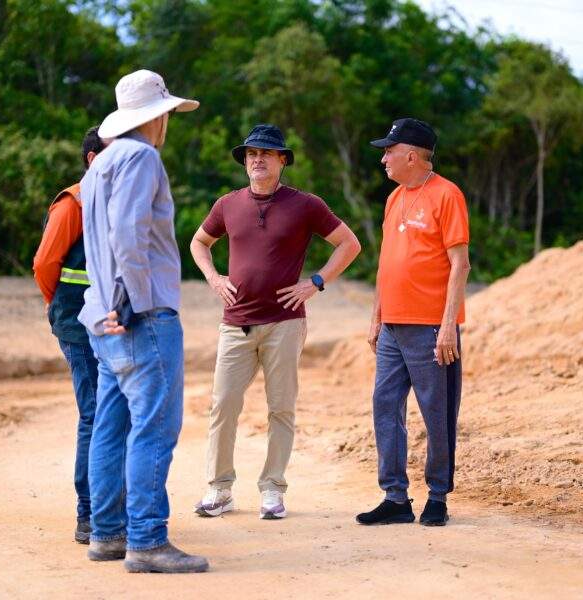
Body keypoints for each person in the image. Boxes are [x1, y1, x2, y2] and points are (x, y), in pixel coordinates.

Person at [189, 124, 361, 520]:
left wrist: (316, 282)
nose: (257, 160)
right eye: (251, 154)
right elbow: (199, 242)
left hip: (285, 322)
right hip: (236, 323)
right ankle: (219, 489)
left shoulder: (306, 205)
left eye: (266, 153)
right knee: (223, 406)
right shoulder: (227, 204)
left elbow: (349, 244)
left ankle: (272, 489)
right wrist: (215, 279)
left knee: (280, 408)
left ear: (283, 160)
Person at [78, 69, 208, 573]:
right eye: (168, 114)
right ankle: (148, 542)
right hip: (140, 314)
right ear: (157, 117)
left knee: (110, 428)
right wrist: (132, 298)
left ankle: (107, 535)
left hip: (103, 318)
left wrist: (111, 302)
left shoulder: (98, 165)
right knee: (154, 429)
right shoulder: (142, 156)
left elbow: (103, 241)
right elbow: (128, 233)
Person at [356, 118, 470, 527]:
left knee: (436, 412)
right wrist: (376, 318)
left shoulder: (447, 195)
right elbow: (387, 263)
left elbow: (460, 264)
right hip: (392, 327)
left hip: (429, 328)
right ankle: (395, 497)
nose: (383, 157)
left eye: (388, 150)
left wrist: (447, 326)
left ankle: (437, 496)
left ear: (411, 154)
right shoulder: (393, 199)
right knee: (384, 405)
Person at [31, 126, 108, 545]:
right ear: (93, 158)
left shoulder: (106, 201)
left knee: (112, 414)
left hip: (107, 321)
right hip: (77, 324)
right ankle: (89, 513)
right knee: (95, 414)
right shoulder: (74, 202)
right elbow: (45, 264)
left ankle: (109, 507)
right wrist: (60, 308)